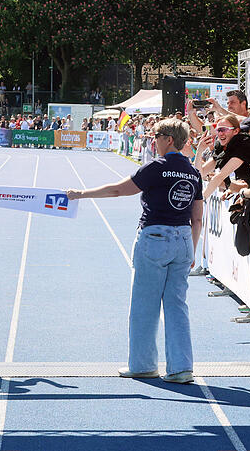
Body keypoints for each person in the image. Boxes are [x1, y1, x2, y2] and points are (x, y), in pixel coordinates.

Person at [65, 118, 203, 384]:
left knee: (144, 305)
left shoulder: (156, 167)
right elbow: (197, 218)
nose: (153, 139)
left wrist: (80, 194)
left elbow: (118, 190)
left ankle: (142, 364)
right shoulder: (193, 172)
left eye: (157, 135)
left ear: (169, 140)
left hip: (155, 238)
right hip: (184, 240)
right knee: (177, 306)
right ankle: (181, 368)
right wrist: (192, 250)